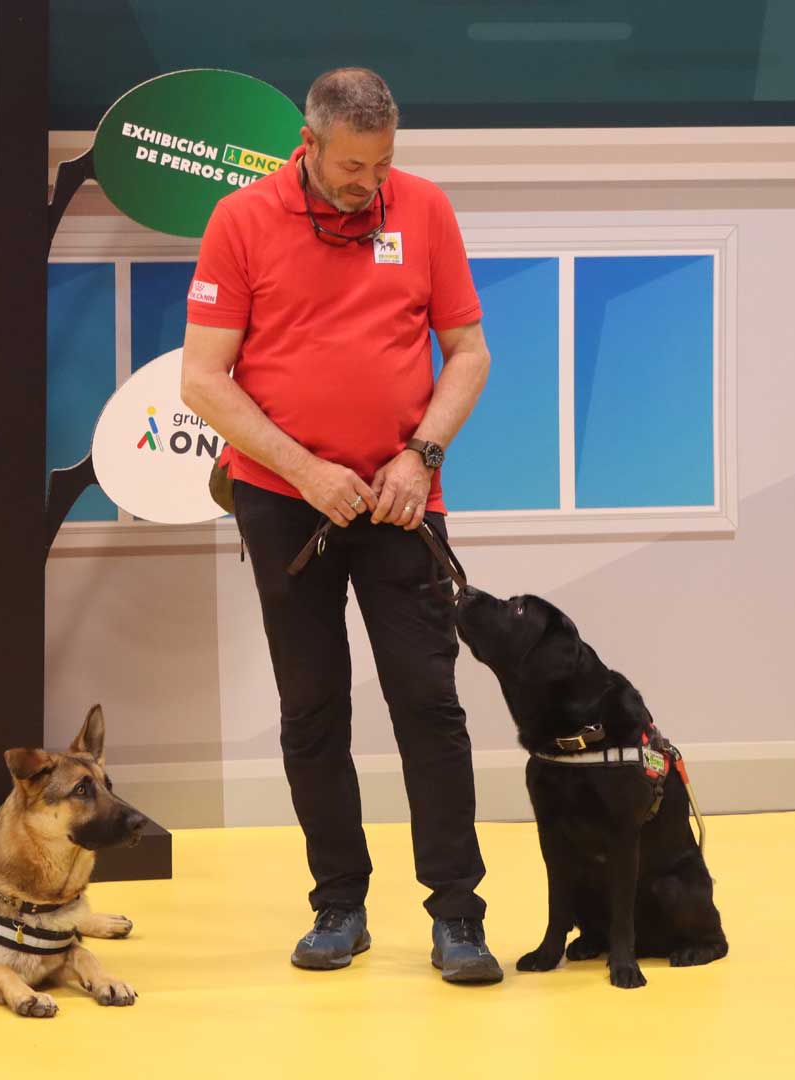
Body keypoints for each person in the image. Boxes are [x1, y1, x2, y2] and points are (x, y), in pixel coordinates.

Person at [180, 67, 502, 983]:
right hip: (287, 503)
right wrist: (307, 472)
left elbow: (468, 352)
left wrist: (422, 455)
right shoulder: (241, 220)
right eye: (353, 166)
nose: (370, 182)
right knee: (313, 706)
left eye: (383, 163)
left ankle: (457, 914)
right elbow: (202, 379)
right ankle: (338, 905)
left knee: (429, 704)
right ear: (309, 145)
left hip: (402, 497)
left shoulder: (425, 210)